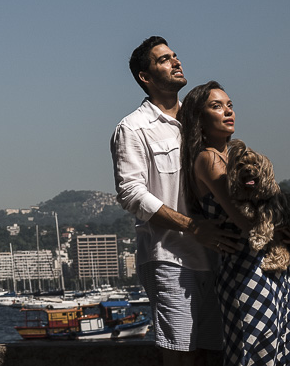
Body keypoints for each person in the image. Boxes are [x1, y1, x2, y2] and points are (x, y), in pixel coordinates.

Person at [111, 36, 239, 365]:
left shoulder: (198, 122)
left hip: (217, 258)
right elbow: (132, 194)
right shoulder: (134, 128)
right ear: (146, 77)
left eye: (175, 56)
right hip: (169, 259)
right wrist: (194, 227)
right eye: (164, 59)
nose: (176, 62)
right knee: (181, 358)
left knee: (215, 355)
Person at [179, 80, 290, 366]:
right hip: (245, 270)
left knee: (284, 352)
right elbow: (245, 220)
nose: (228, 112)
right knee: (256, 354)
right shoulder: (209, 159)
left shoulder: (239, 160)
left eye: (230, 105)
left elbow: (279, 217)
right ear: (199, 119)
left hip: (274, 269)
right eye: (216, 106)